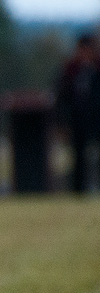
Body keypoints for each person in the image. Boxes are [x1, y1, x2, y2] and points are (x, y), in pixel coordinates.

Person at [55, 35, 100, 194]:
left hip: (96, 119)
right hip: (77, 120)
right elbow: (61, 98)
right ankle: (78, 191)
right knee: (78, 157)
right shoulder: (70, 70)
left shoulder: (96, 68)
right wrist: (61, 123)